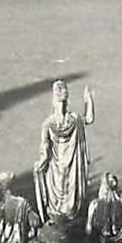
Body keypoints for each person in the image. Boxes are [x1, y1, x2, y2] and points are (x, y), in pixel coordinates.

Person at [34, 80, 95, 221]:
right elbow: (89, 118)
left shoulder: (48, 123)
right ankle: (70, 217)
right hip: (73, 167)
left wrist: (40, 164)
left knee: (58, 196)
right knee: (71, 191)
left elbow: (45, 149)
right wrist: (88, 100)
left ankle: (58, 217)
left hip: (56, 168)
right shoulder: (74, 119)